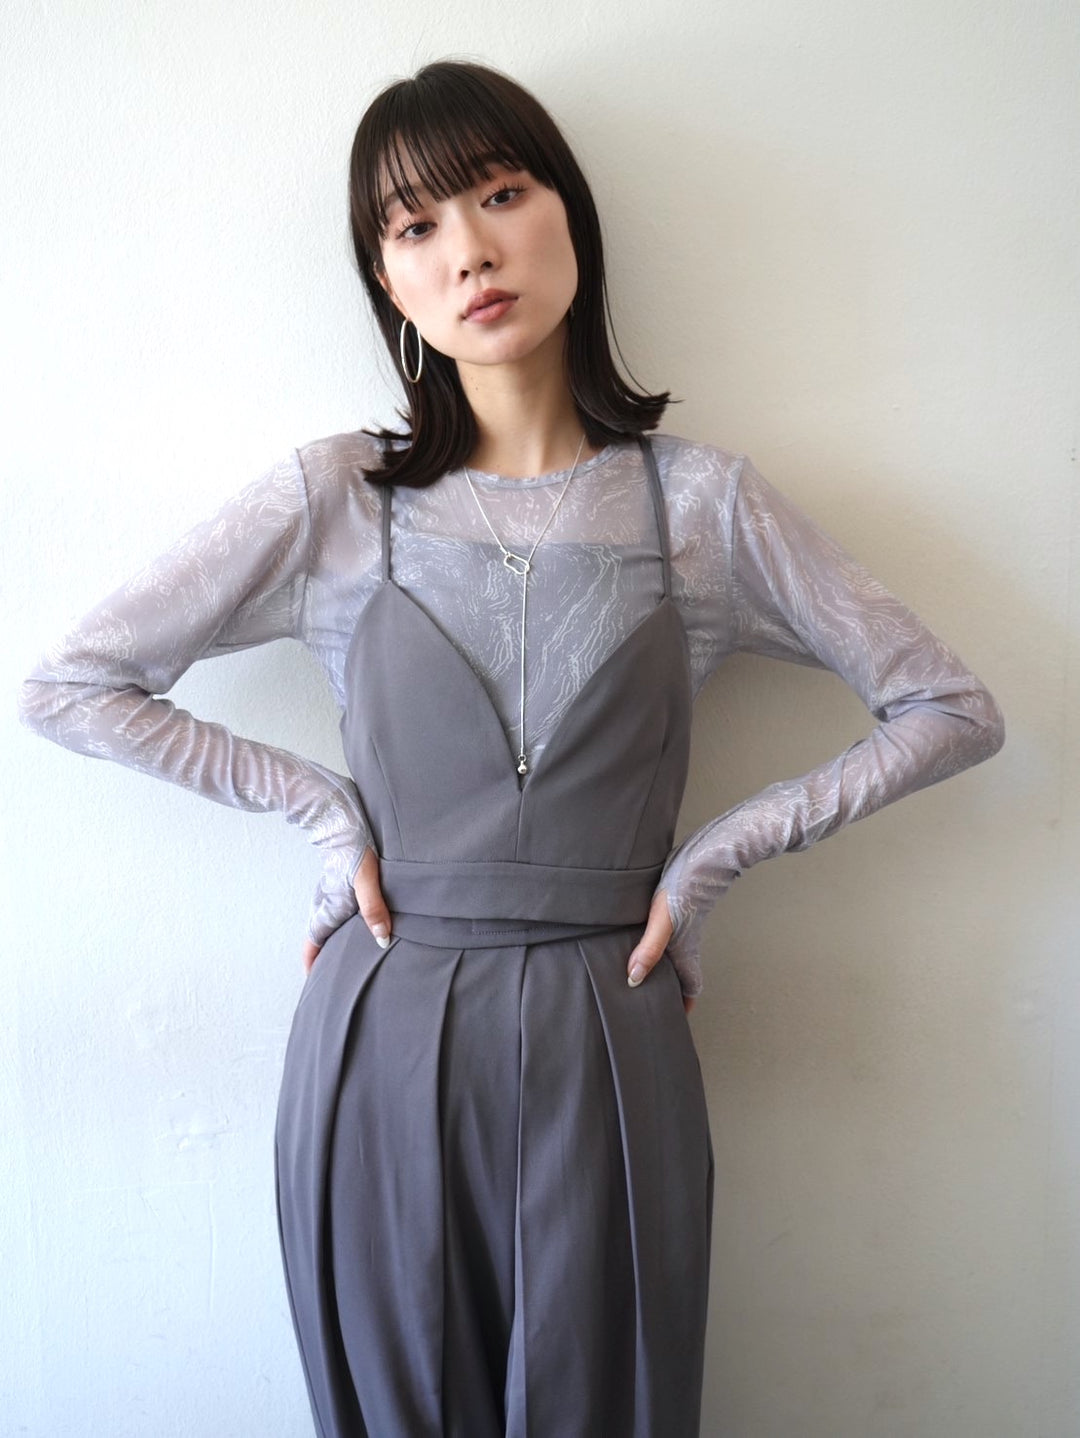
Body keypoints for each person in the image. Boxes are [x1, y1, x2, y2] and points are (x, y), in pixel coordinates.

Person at [16, 56, 1005, 1438]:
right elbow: (70, 683)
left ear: (570, 219)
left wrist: (716, 857)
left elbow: (951, 706)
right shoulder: (338, 498)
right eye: (414, 227)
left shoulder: (702, 506)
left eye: (499, 194)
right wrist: (318, 809)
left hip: (617, 1024)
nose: (469, 252)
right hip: (383, 1024)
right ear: (388, 283)